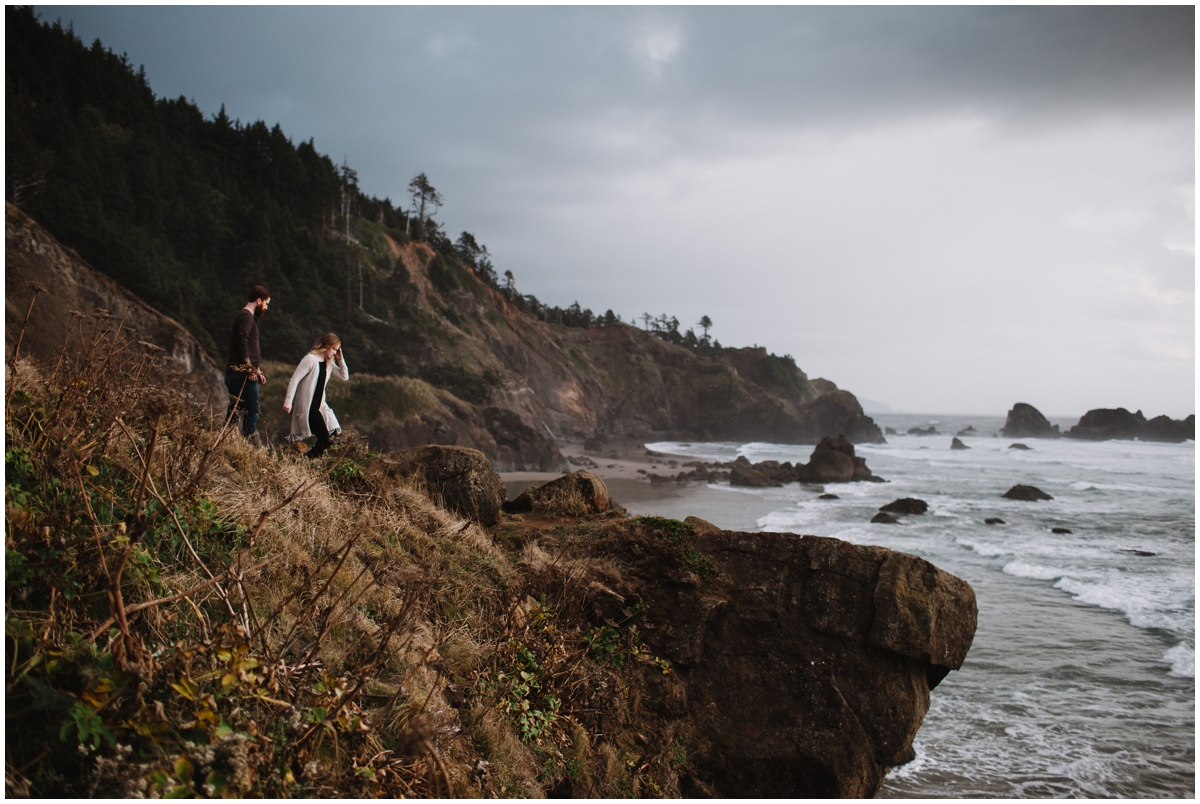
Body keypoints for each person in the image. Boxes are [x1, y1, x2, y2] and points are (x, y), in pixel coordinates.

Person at [283, 333, 349, 458]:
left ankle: (305, 459)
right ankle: (306, 460)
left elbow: (344, 377)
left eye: (337, 350)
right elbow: (294, 379)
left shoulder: (328, 363)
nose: (335, 352)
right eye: (334, 349)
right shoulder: (310, 359)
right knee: (324, 437)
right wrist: (288, 401)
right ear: (327, 346)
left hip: (320, 406)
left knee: (334, 433)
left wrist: (340, 360)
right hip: (309, 407)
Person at [225, 285, 270, 439]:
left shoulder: (246, 317)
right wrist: (250, 369)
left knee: (237, 409)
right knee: (251, 410)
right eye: (266, 303)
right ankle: (248, 442)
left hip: (242, 372)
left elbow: (244, 345)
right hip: (241, 374)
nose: (266, 307)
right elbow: (241, 341)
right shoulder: (246, 317)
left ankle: (226, 439)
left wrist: (256, 371)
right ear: (259, 300)